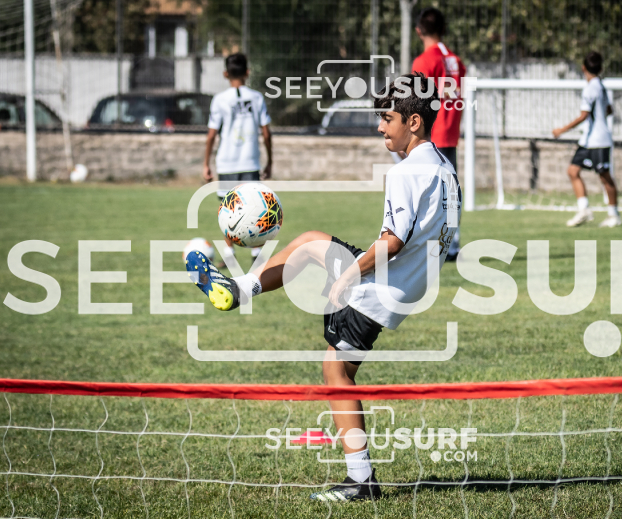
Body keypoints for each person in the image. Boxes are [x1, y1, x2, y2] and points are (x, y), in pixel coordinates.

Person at [185, 73, 461, 502]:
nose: (379, 127)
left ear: (413, 122)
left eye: (386, 118)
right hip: (407, 284)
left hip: (381, 285)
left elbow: (393, 241)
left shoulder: (407, 172)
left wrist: (351, 274)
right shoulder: (445, 168)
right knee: (311, 247)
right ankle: (241, 289)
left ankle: (361, 480)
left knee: (336, 371)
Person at [203, 53, 273, 262]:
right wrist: (269, 161)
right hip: (250, 161)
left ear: (225, 74)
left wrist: (206, 163)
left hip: (227, 162)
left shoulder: (219, 100)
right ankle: (256, 253)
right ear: (247, 73)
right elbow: (266, 133)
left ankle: (229, 254)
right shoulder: (257, 98)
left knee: (228, 209)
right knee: (257, 207)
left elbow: (211, 135)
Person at [411, 6, 466, 260]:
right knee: (449, 193)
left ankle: (430, 246)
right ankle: (451, 245)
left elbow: (416, 99)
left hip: (431, 134)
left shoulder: (424, 61)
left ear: (418, 31)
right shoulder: (456, 61)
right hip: (450, 132)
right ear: (444, 29)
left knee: (426, 193)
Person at [552, 51, 621, 228]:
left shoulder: (590, 88)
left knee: (605, 177)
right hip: (588, 140)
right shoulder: (601, 86)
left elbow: (583, 115)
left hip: (598, 140)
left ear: (583, 68)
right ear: (601, 68)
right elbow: (609, 110)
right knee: (573, 171)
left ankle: (614, 215)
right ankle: (584, 210)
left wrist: (562, 130)